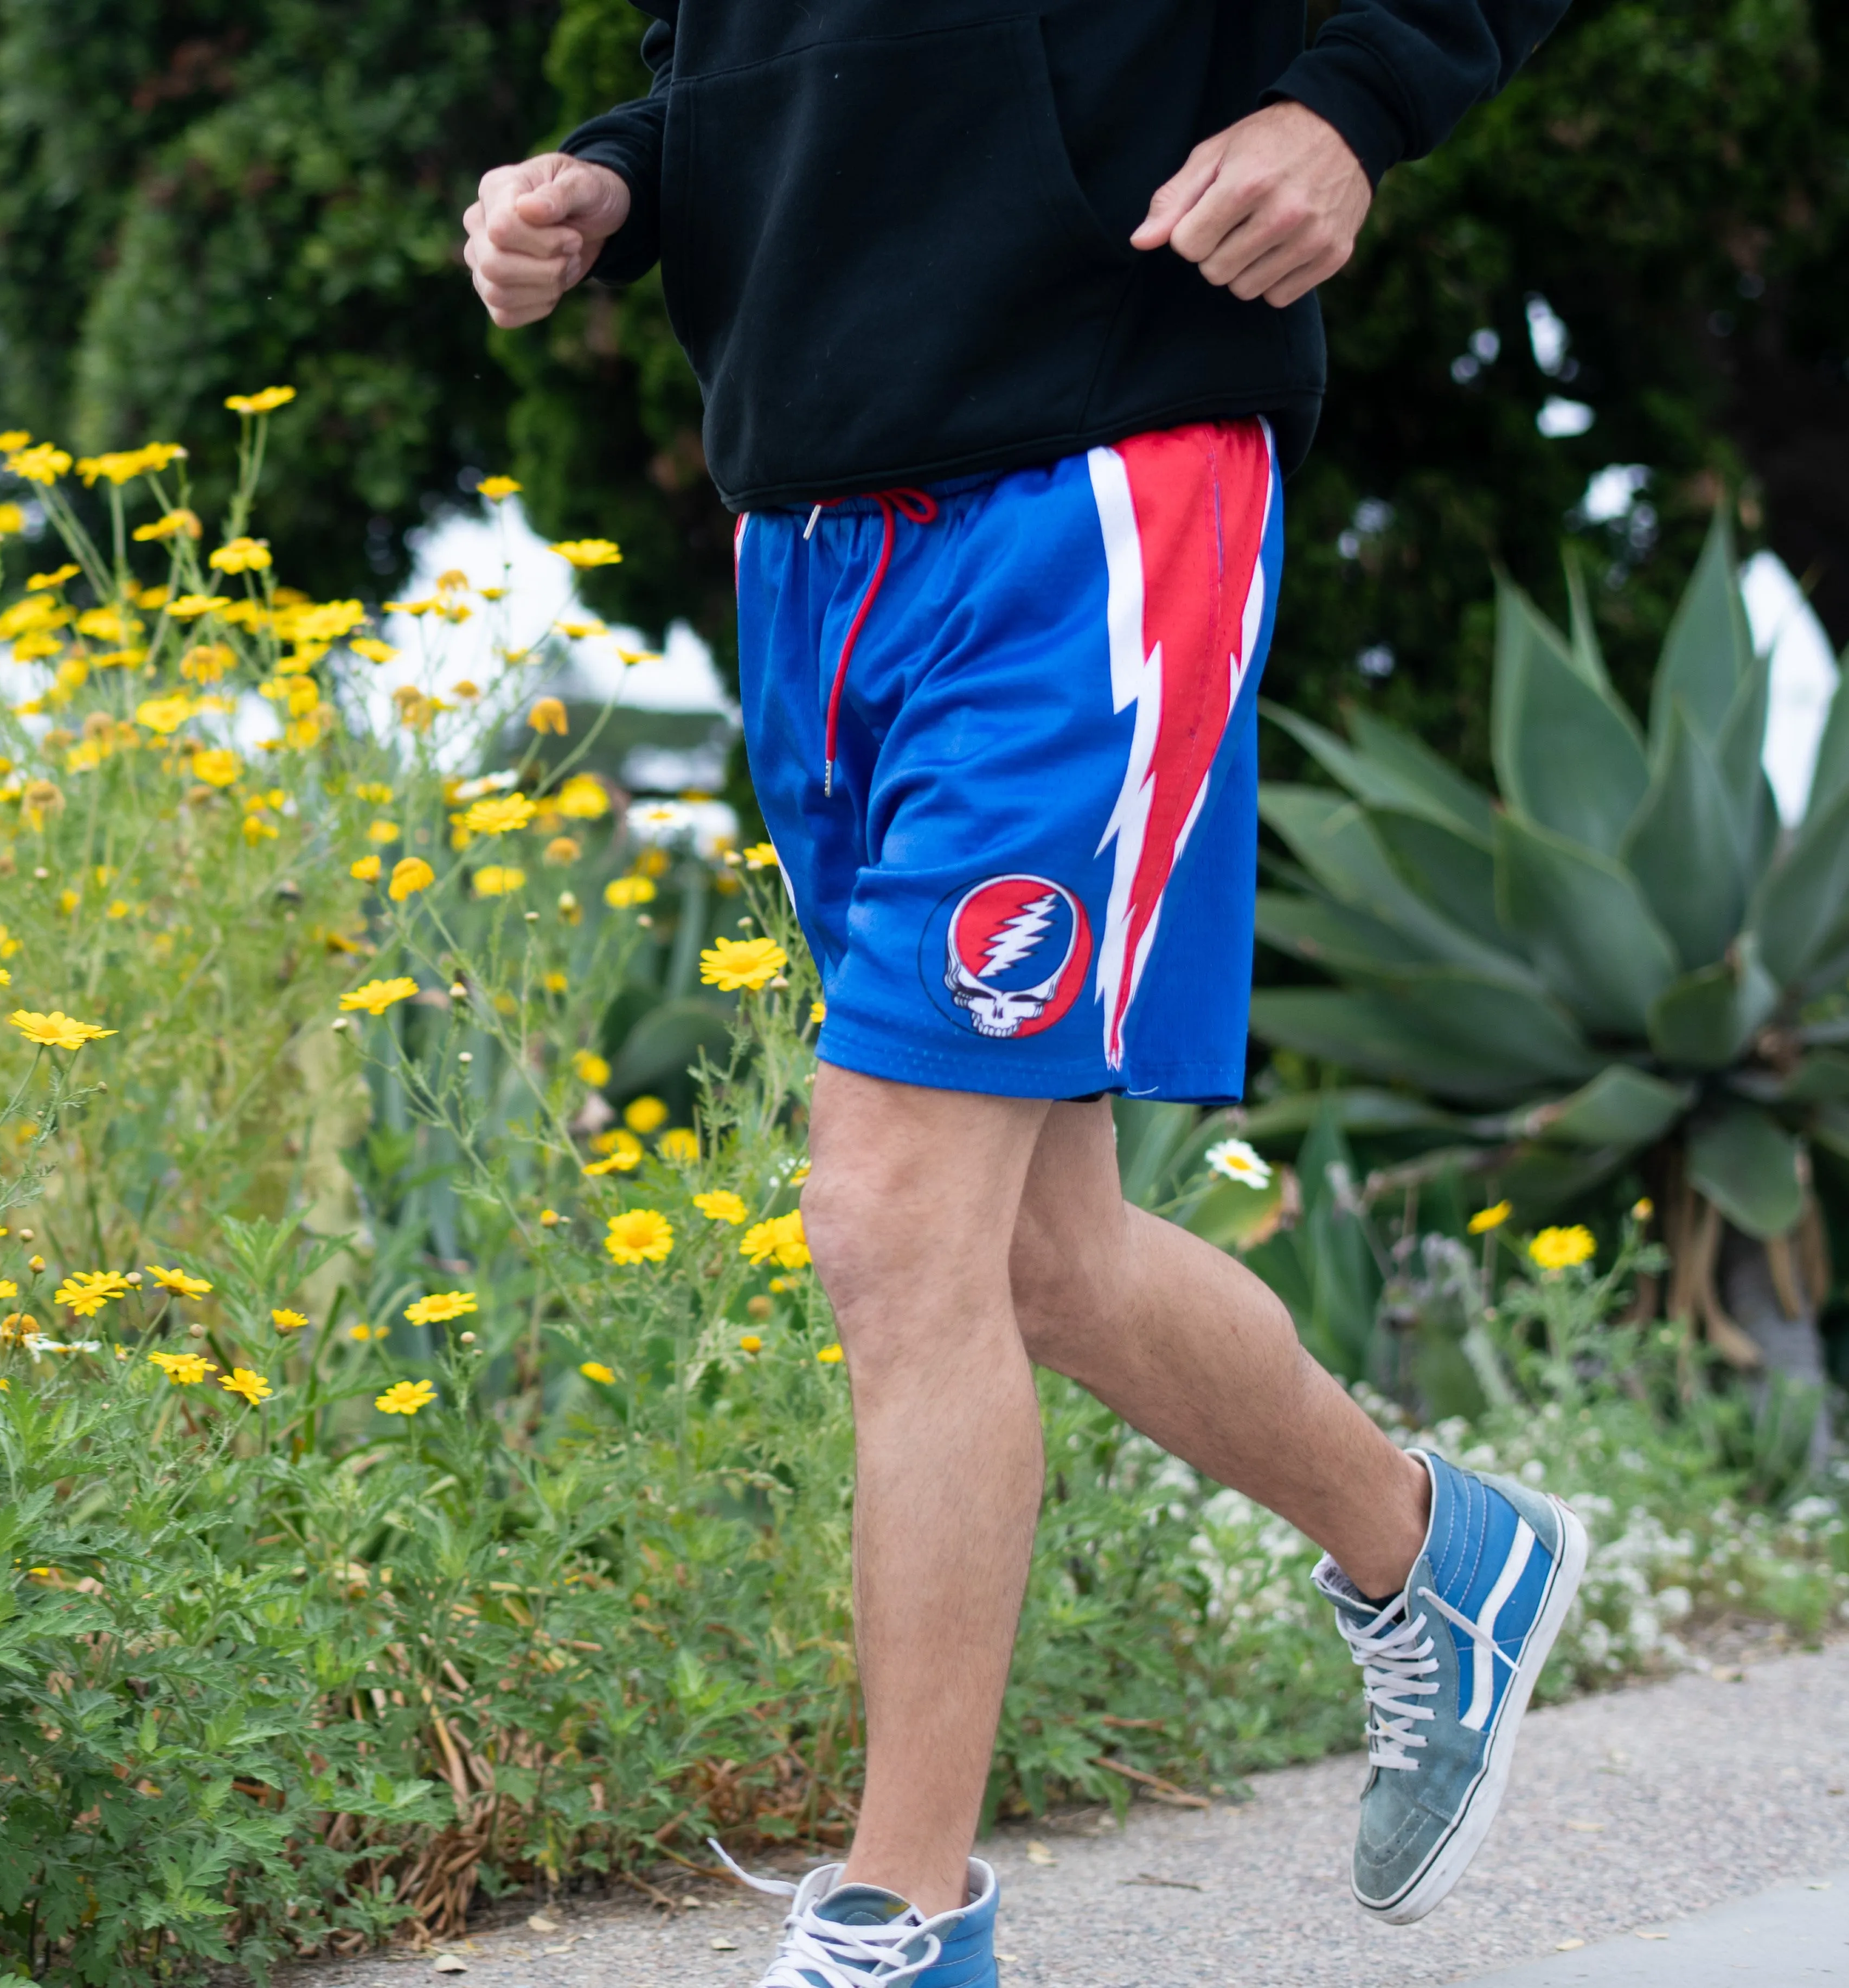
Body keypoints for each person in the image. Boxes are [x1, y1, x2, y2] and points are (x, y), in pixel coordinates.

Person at [465, 3, 1581, 1980]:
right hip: (816, 526)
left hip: (1086, 475)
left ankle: (903, 1921)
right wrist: (612, 177)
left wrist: (1353, 107)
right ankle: (1437, 1555)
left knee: (893, 1230)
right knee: (1037, 1259)